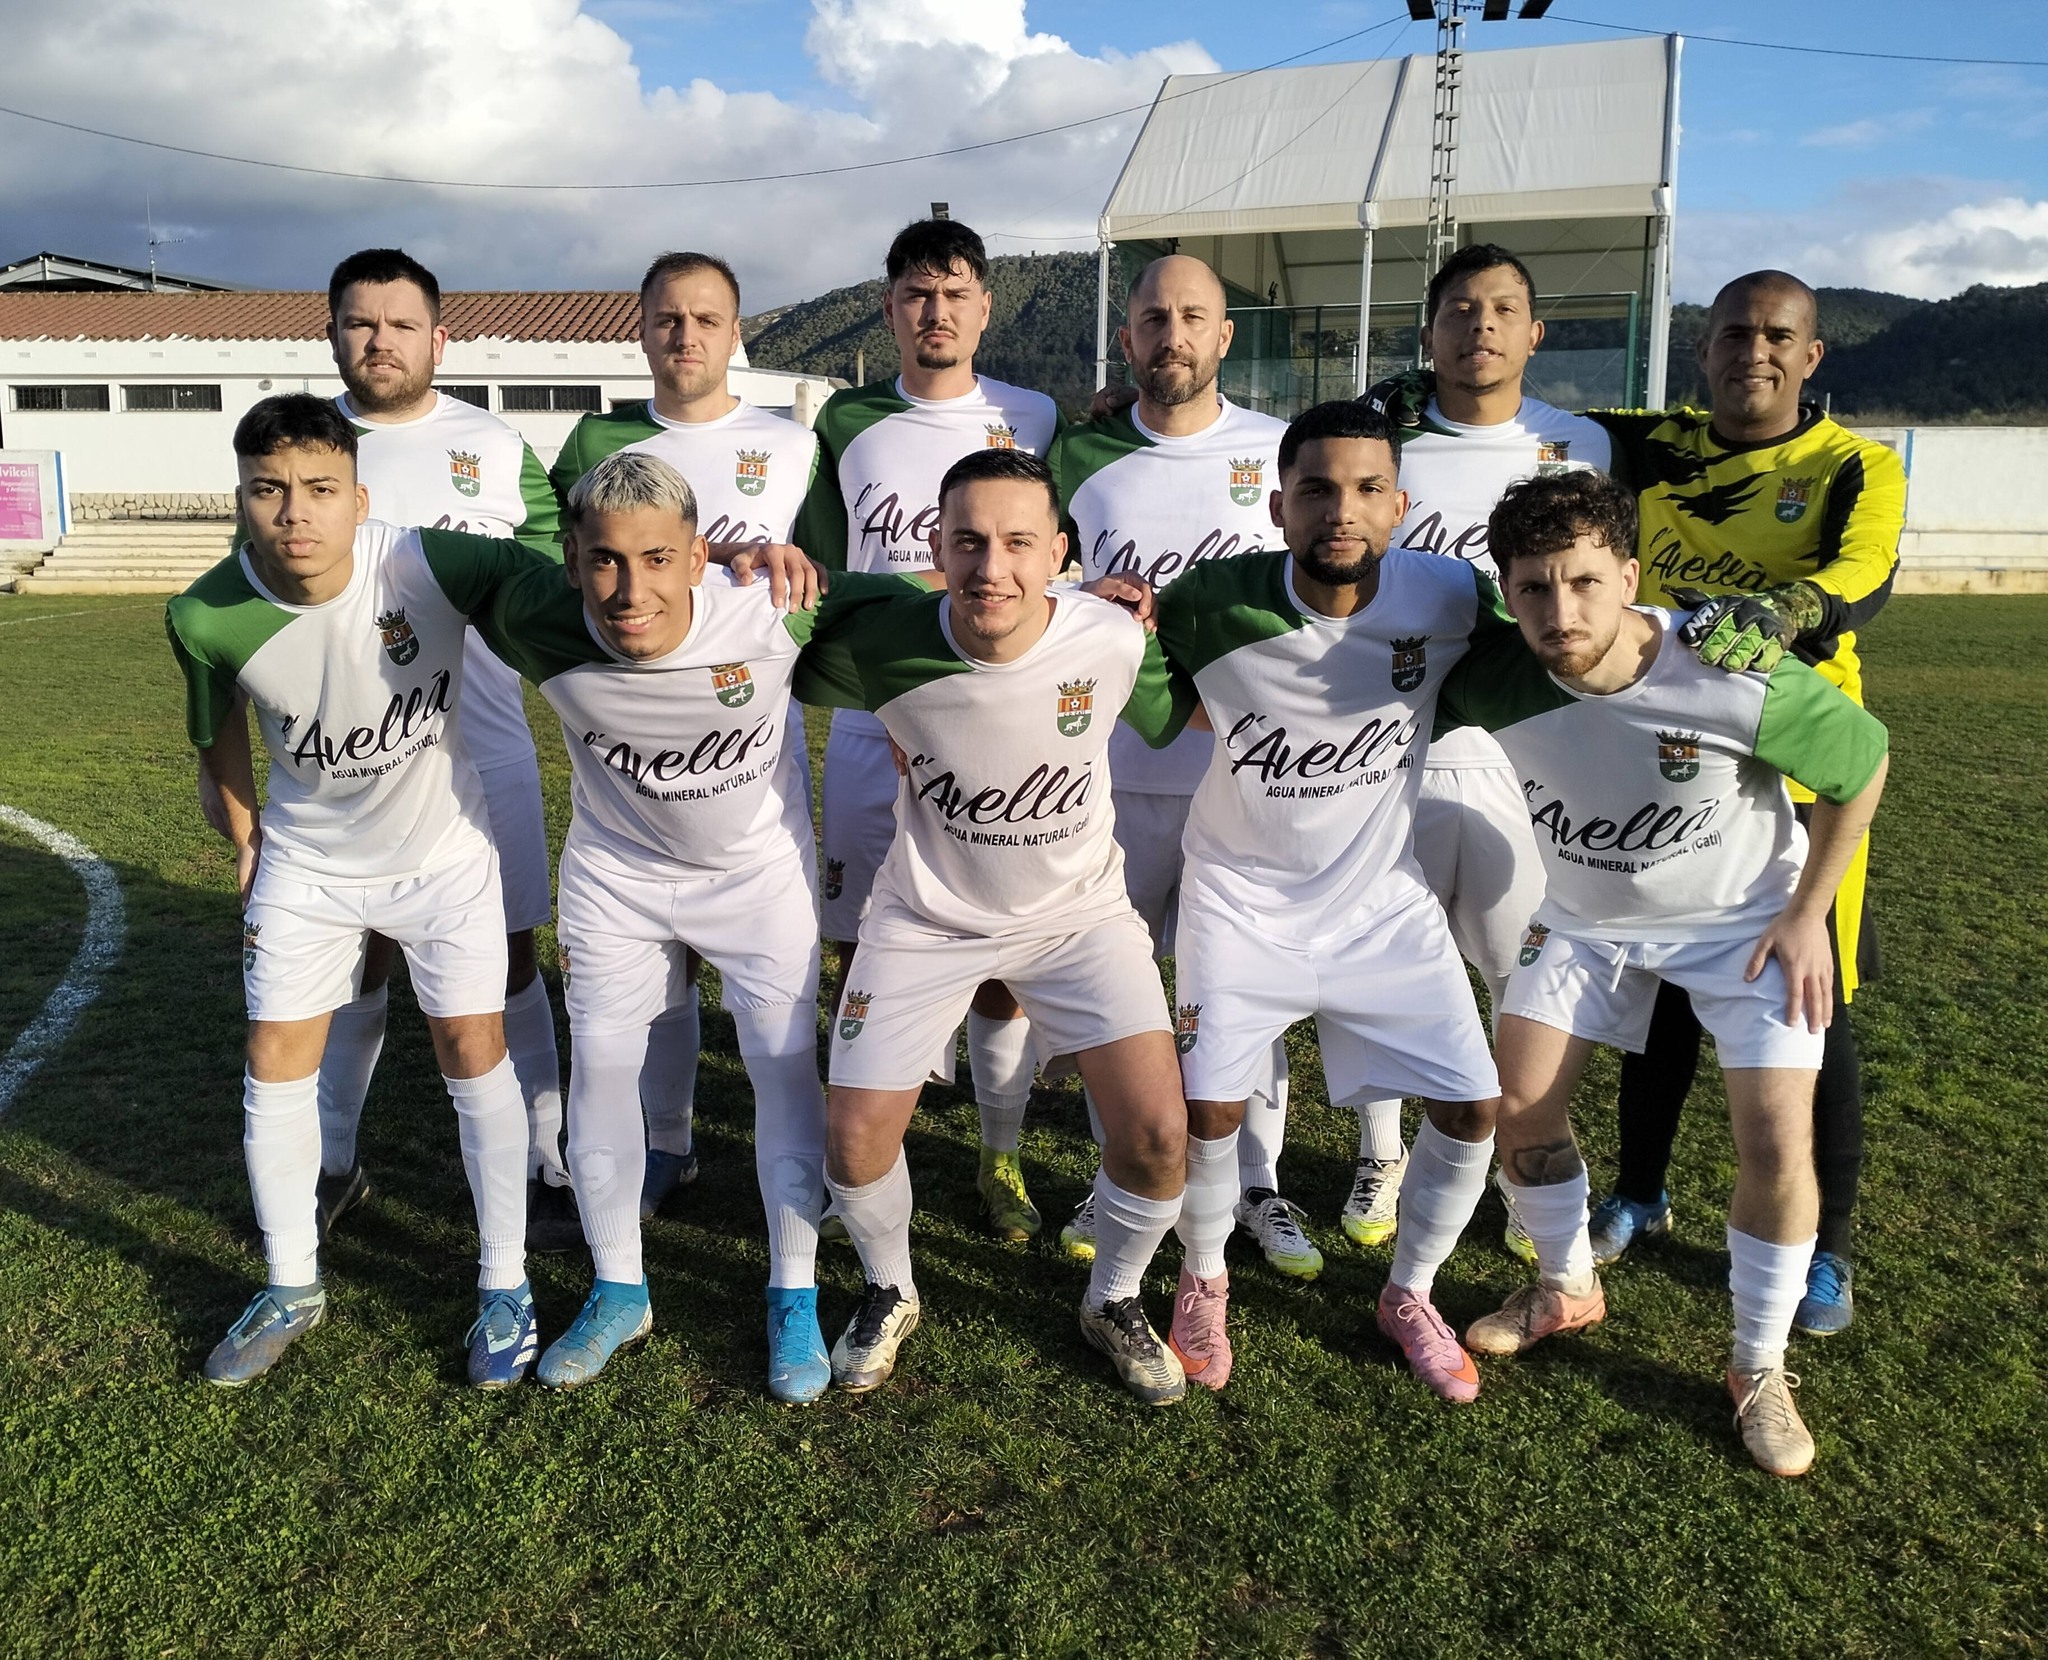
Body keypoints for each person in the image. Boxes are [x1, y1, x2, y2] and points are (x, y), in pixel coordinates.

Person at [1436, 468, 1888, 1475]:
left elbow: (1862, 767)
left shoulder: (1726, 668)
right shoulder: (1494, 676)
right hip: (1584, 922)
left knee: (1774, 1137)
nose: (1560, 612)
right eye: (1533, 588)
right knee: (1519, 1108)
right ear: (1506, 591)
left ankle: (1757, 1365)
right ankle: (1566, 1286)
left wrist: (1807, 914)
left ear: (1629, 576)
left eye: (1584, 582)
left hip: (1741, 926)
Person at [470, 450, 912, 1402]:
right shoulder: (538, 615)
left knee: (781, 1071)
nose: (630, 592)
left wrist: (1083, 597)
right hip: (616, 881)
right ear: (571, 560)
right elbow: (428, 560)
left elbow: (934, 600)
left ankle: (793, 1294)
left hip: (757, 881)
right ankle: (619, 1290)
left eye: (658, 559)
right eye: (604, 560)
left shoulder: (770, 607)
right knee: (602, 1072)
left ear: (700, 555)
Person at [166, 394, 553, 1388]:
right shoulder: (205, 612)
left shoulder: (429, 564)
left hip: (444, 856)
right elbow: (217, 739)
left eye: (320, 488)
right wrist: (245, 840)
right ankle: (291, 1282)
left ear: (359, 497)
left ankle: (504, 1283)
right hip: (310, 866)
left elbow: (569, 582)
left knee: (472, 1047)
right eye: (269, 490)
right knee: (273, 1057)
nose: (296, 511)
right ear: (242, 498)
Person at [793, 448, 1192, 1405]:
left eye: (1019, 543)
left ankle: (1115, 1296)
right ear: (934, 547)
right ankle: (891, 1287)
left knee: (1156, 1133)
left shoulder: (1109, 635)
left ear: (1059, 552)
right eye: (967, 542)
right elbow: (790, 618)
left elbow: (1176, 713)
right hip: (925, 919)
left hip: (1080, 917)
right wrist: (765, 561)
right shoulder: (884, 635)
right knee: (851, 1138)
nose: (991, 566)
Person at [1143, 401, 1516, 1398]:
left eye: (1364, 489)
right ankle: (1204, 1277)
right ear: (1278, 506)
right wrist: (1111, 607)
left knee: (1473, 1105)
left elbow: (1547, 650)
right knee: (1208, 1107)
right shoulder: (1210, 599)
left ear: (1399, 506)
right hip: (1237, 898)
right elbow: (1138, 668)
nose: (1339, 510)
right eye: (1314, 489)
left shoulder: (1450, 594)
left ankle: (1410, 1292)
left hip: (1379, 903)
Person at [1584, 270, 1904, 1334]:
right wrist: (1398, 396)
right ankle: (1639, 1190)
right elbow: (1514, 418)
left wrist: (1784, 608)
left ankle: (1827, 1248)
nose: (1751, 352)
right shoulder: (1646, 443)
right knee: (1665, 985)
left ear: (1810, 355)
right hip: (1672, 752)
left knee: (1813, 995)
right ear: (1703, 347)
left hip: (1801, 767)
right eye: (1732, 333)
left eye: (1775, 336)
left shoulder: (1855, 464)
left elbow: (1864, 573)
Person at [1329, 242, 1610, 1250]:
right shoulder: (1381, 438)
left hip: (1521, 756)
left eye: (1500, 309)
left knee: (1521, 971)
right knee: (1374, 961)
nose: (1479, 325)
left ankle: (1525, 1165)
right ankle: (1380, 1152)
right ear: (1428, 333)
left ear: (1534, 333)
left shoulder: (1580, 442)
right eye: (1458, 309)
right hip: (1384, 748)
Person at [793, 217, 1063, 1243]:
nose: (934, 311)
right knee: (860, 944)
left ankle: (1000, 1155)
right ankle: (872, 1162)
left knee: (998, 956)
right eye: (915, 293)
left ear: (984, 307)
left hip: (998, 726)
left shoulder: (1035, 416)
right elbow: (825, 573)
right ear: (888, 308)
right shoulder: (845, 420)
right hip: (875, 721)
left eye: (953, 293)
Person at [306, 248, 574, 1252]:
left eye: (400, 324)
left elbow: (553, 588)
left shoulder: (495, 446)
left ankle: (544, 1159)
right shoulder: (306, 445)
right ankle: (334, 1163)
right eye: (360, 322)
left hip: (486, 750)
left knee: (510, 955)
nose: (379, 340)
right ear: (333, 333)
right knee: (359, 960)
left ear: (438, 339)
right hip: (356, 765)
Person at [1048, 254, 1308, 1277]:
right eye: (1153, 318)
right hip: (1106, 773)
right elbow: (1037, 570)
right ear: (1126, 339)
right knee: (1112, 988)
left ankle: (1259, 1182)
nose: (1173, 336)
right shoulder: (1078, 450)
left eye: (1193, 316)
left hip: (1242, 776)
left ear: (1224, 336)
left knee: (1243, 985)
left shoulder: (1276, 448)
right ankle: (1115, 1167)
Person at [549, 250, 822, 1221]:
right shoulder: (597, 438)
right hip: (630, 747)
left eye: (707, 319)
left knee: (759, 982)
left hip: (747, 741)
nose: (686, 336)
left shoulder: (790, 444)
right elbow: (553, 561)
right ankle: (669, 1141)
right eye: (668, 318)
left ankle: (793, 1172)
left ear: (736, 331)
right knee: (654, 976)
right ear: (641, 329)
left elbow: (823, 572)